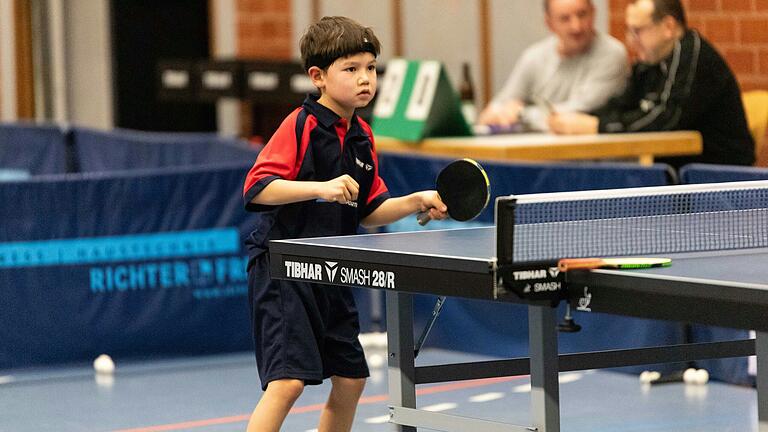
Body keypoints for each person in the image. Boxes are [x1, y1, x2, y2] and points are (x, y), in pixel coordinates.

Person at [241, 16, 448, 432]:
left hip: (331, 271)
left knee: (351, 380)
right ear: (317, 77)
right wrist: (318, 187)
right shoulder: (300, 125)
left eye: (370, 68)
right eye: (351, 69)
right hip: (284, 267)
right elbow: (256, 190)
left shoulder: (362, 135)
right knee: (288, 382)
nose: (364, 79)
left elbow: (370, 209)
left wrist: (415, 200)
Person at [548, 0, 755, 167]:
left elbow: (665, 118)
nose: (631, 40)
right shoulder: (649, 61)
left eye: (638, 31)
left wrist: (597, 126)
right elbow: (621, 104)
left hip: (716, 177)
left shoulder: (692, 54)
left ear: (668, 27)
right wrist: (582, 120)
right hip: (674, 173)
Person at [477, 0, 628, 132]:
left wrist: (520, 114)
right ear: (549, 23)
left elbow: (578, 112)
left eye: (582, 15)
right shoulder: (534, 56)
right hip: (538, 156)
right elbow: (499, 106)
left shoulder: (612, 53)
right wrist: (497, 113)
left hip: (594, 157)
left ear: (594, 13)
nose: (576, 26)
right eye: (565, 19)